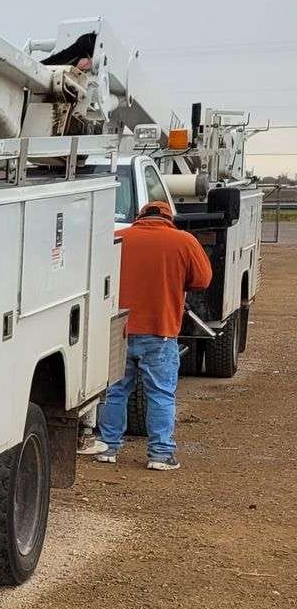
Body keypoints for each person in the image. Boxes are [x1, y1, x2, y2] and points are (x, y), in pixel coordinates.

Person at [83, 200, 213, 470]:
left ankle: (108, 447)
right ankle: (160, 454)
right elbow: (202, 280)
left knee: (115, 392)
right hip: (161, 330)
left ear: (140, 216)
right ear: (168, 218)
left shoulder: (118, 238)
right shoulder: (183, 240)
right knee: (161, 394)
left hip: (119, 331)